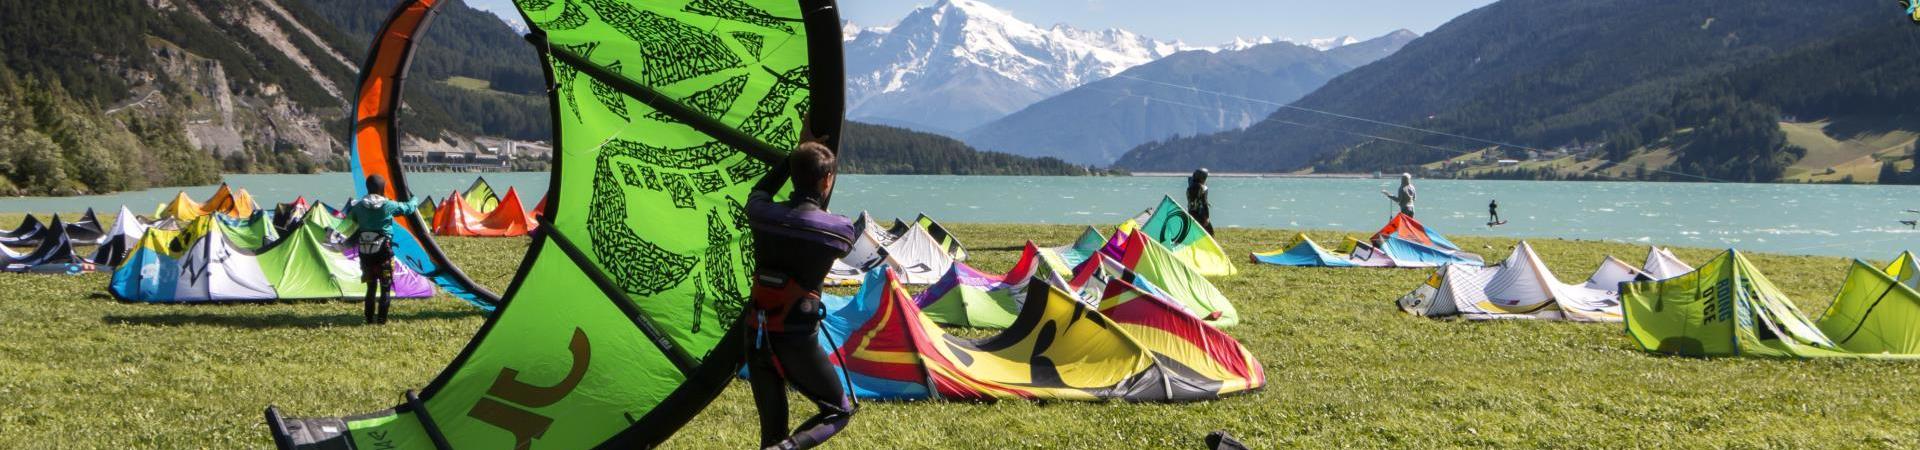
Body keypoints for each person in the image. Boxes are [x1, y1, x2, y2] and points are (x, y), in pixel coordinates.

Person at [744, 141, 857, 450]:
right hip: (797, 340)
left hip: (755, 334)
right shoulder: (837, 231)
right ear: (827, 180)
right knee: (838, 410)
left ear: (792, 176)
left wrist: (791, 158)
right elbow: (832, 227)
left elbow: (760, 190)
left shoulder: (760, 214)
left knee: (771, 432)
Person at [346, 175, 416, 325]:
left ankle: (369, 319)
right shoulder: (388, 205)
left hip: (366, 253)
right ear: (382, 189)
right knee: (385, 287)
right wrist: (414, 198)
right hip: (384, 253)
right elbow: (408, 208)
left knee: (371, 288)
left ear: (368, 188)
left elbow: (351, 221)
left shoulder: (358, 206)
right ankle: (381, 321)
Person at [1187, 168, 1214, 234]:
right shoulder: (1203, 188)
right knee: (1210, 233)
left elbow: (1195, 198)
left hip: (1190, 212)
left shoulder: (1190, 186)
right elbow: (1204, 203)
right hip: (1200, 214)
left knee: (1195, 232)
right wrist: (1207, 218)